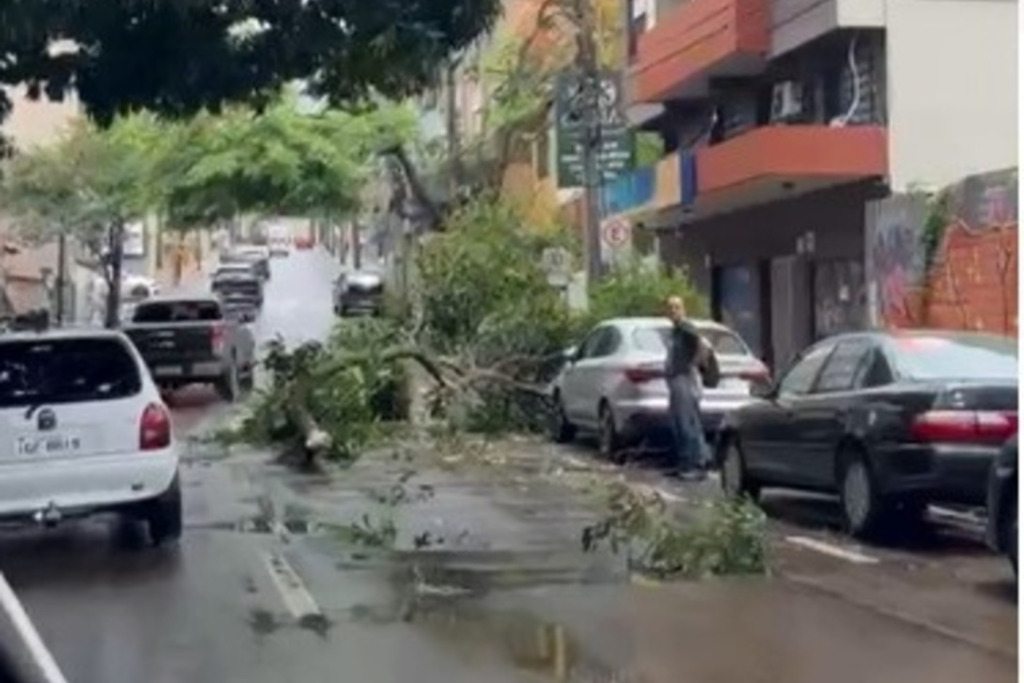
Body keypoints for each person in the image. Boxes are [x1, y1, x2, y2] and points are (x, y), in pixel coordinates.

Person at [664, 295, 713, 481]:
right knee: (678, 423)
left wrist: (692, 364)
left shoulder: (686, 328)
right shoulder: (675, 331)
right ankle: (685, 464)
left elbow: (702, 346)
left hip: (685, 380)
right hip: (676, 381)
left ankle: (698, 464)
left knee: (688, 423)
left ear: (683, 310)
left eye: (676, 307)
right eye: (670, 308)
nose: (673, 311)